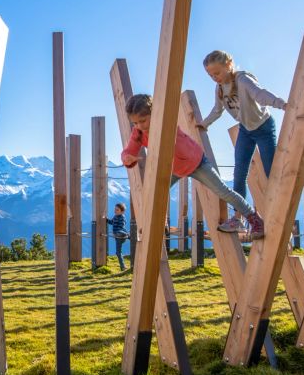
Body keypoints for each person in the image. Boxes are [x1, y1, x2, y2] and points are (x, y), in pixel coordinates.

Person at [121, 94, 266, 239]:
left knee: (223, 191)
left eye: (143, 121)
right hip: (174, 168)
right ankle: (159, 223)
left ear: (154, 113)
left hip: (196, 162)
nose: (140, 126)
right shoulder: (139, 132)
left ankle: (254, 219)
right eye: (135, 123)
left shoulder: (165, 122)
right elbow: (129, 150)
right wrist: (127, 158)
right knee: (155, 192)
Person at [199, 50, 287, 234]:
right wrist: (204, 124)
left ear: (229, 65)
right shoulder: (220, 88)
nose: (214, 77)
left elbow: (260, 95)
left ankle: (280, 214)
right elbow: (217, 110)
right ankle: (238, 218)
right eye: (210, 75)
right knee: (239, 172)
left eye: (217, 72)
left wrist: (284, 105)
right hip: (245, 129)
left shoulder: (243, 80)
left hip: (263, 127)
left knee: (271, 169)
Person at [106, 203, 130, 270]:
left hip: (121, 234)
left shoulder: (122, 217)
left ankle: (129, 236)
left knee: (121, 232)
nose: (115, 211)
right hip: (117, 237)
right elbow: (112, 222)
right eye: (115, 209)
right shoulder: (115, 216)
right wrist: (107, 220)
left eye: (117, 210)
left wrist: (117, 231)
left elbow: (122, 226)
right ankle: (122, 267)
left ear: (122, 211)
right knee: (118, 252)